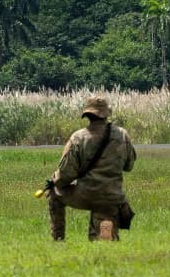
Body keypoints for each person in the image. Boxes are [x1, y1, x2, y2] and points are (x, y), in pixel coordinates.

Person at [47, 97, 136, 241]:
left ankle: (58, 240)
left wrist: (54, 181)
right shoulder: (122, 135)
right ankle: (105, 228)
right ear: (106, 114)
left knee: (54, 194)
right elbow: (129, 166)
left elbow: (66, 174)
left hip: (86, 194)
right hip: (112, 196)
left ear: (87, 115)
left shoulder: (79, 137)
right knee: (104, 215)